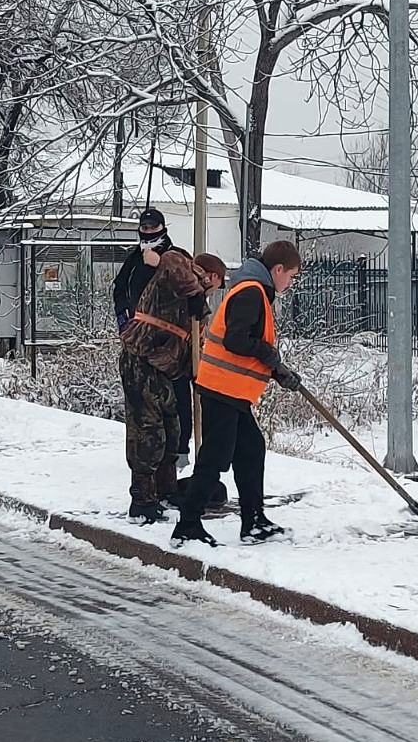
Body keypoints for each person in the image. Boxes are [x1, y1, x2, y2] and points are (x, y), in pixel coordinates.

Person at [171, 240, 304, 548]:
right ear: (278, 269)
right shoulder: (251, 293)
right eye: (292, 276)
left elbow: (249, 345)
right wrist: (270, 357)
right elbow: (237, 340)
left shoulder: (254, 291)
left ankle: (254, 521)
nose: (291, 282)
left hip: (231, 391)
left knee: (251, 449)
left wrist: (277, 370)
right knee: (214, 458)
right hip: (222, 389)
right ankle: (188, 524)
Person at [119, 249, 226, 523]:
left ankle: (165, 489)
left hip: (163, 367)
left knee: (171, 427)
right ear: (212, 276)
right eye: (216, 286)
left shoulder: (190, 308)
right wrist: (196, 294)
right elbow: (169, 258)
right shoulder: (181, 270)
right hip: (140, 359)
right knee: (148, 431)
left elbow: (191, 348)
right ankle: (141, 499)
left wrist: (197, 376)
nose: (213, 293)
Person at [113, 208, 195, 468]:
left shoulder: (174, 257)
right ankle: (150, 461)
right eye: (144, 227)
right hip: (139, 340)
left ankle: (179, 450)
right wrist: (124, 320)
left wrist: (158, 265)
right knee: (146, 403)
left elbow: (188, 288)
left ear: (163, 228)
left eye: (152, 227)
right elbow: (119, 288)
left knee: (177, 395)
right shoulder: (134, 259)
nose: (148, 232)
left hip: (168, 341)